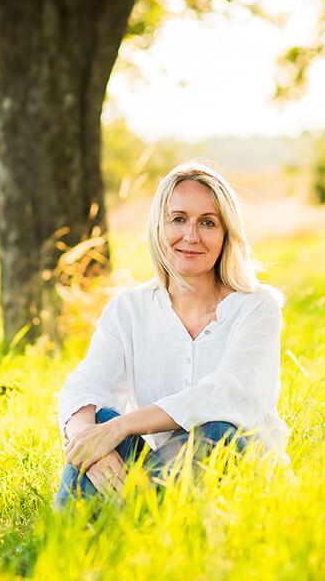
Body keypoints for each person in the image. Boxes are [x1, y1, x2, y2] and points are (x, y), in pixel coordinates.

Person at [53, 162, 288, 509]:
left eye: (207, 222)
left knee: (215, 432)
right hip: (157, 470)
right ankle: (68, 549)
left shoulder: (257, 307)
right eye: (178, 219)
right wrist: (89, 441)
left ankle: (137, 526)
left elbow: (225, 395)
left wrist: (123, 427)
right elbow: (85, 387)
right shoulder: (128, 310)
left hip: (241, 476)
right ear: (159, 227)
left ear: (226, 234)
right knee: (98, 421)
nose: (190, 236)